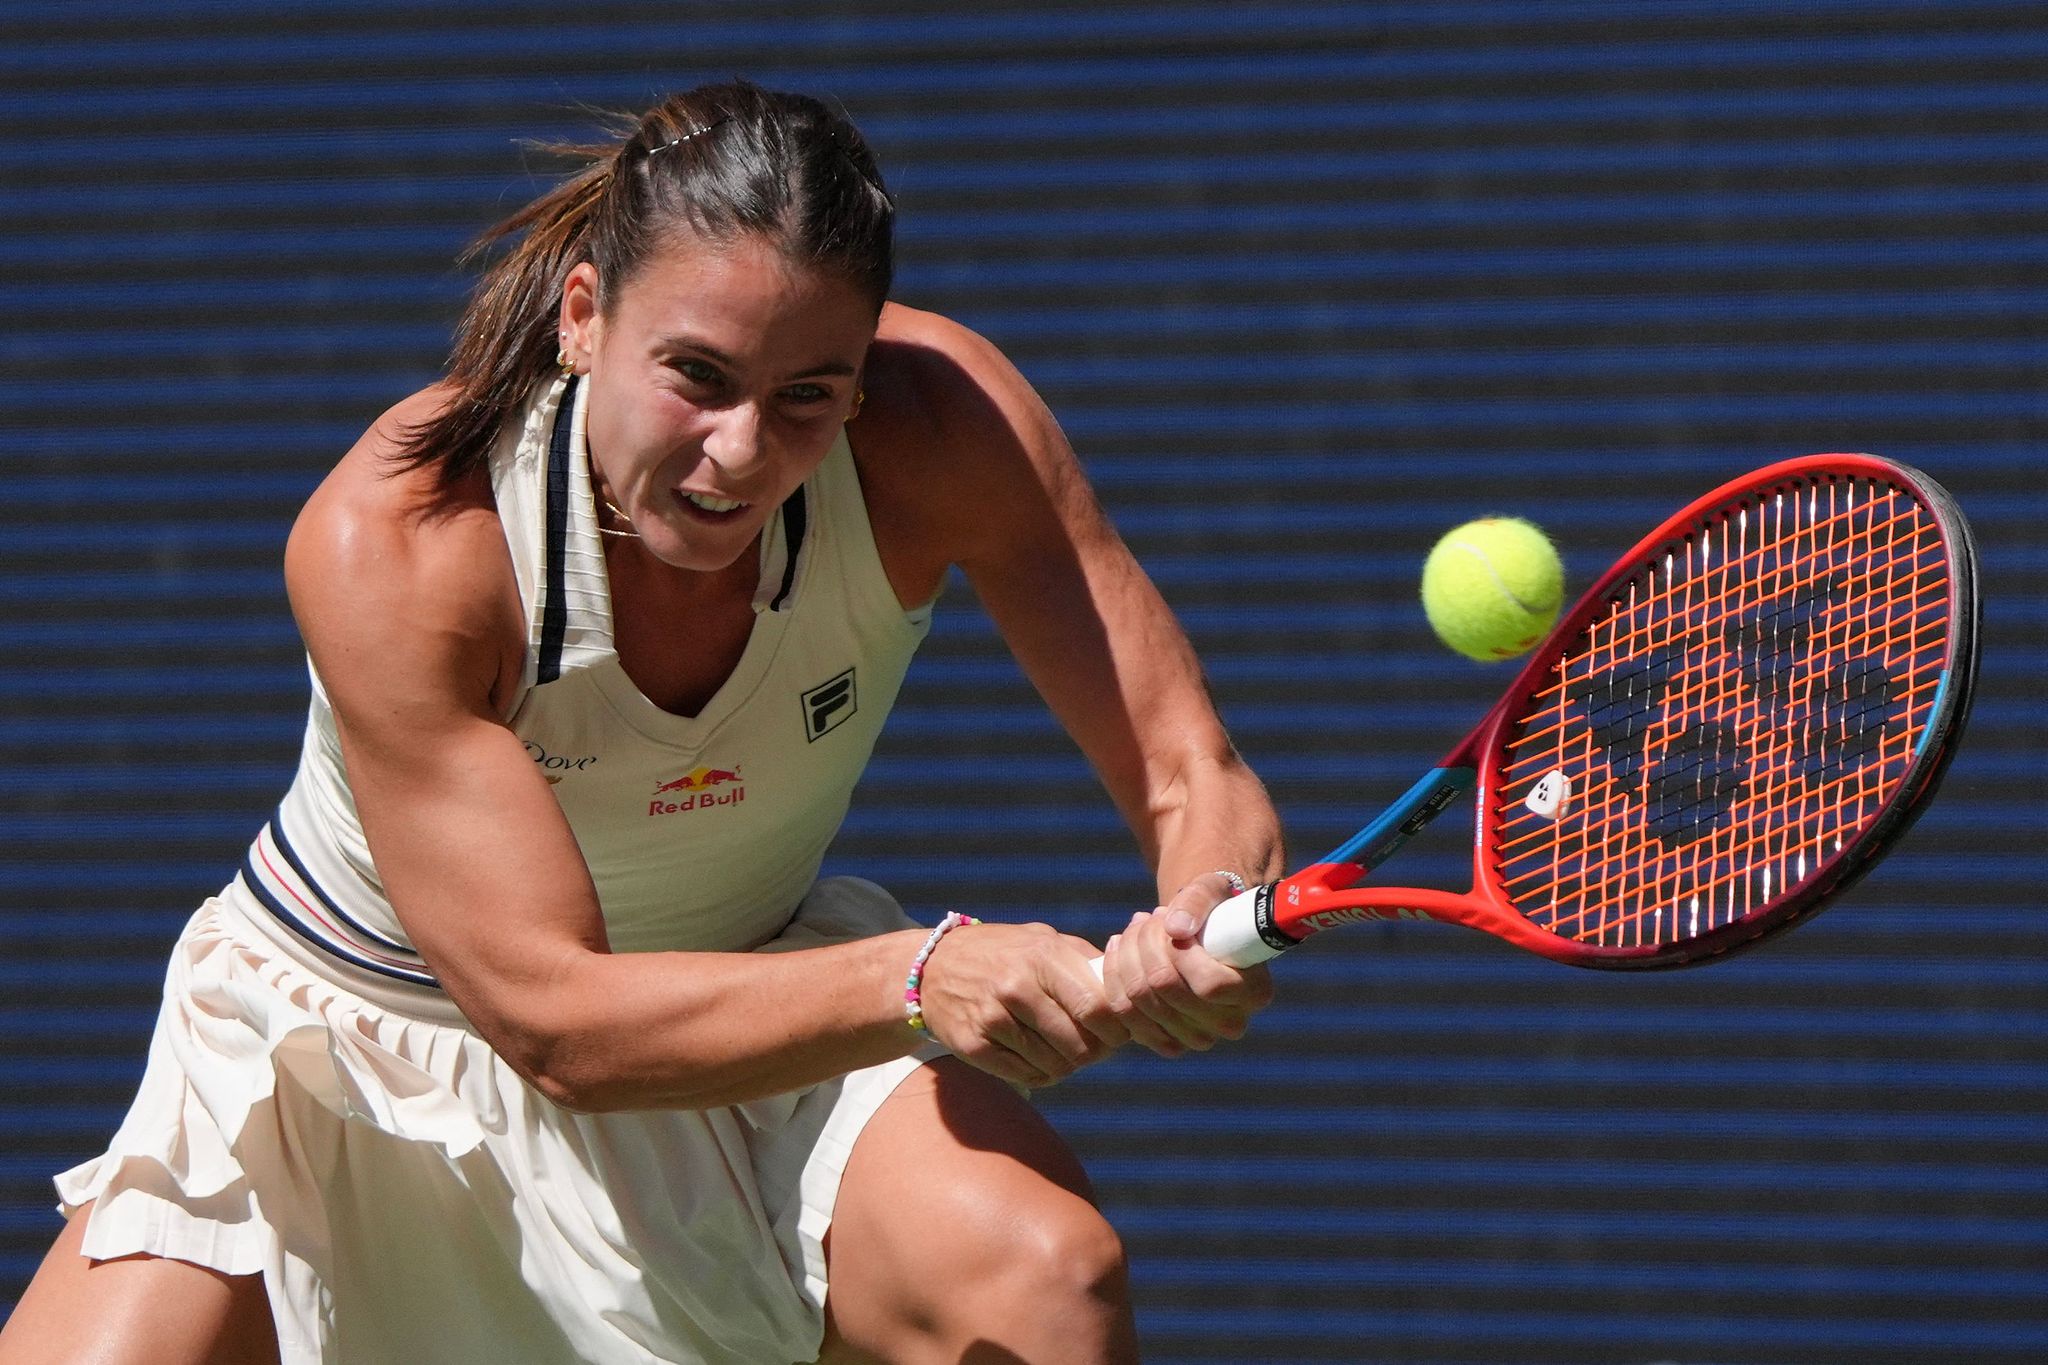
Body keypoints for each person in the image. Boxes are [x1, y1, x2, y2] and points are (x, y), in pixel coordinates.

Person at [0, 81, 1281, 1365]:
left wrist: (1205, 911)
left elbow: (1188, 766)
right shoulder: (403, 541)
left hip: (752, 1015)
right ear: (581, 317)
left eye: (805, 396)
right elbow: (555, 1019)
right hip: (347, 1059)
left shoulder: (943, 423)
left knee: (1046, 1281)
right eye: (697, 377)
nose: (737, 450)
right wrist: (919, 975)